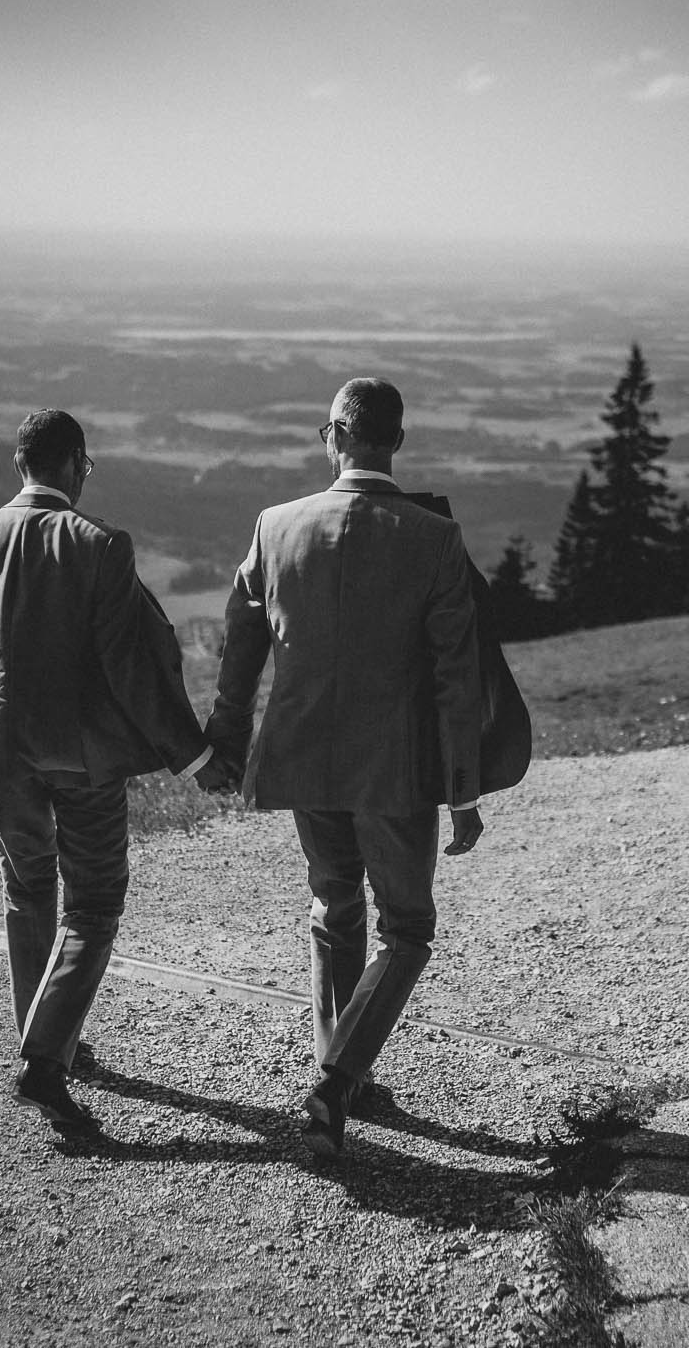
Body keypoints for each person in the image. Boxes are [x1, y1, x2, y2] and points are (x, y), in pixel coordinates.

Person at [202, 377, 484, 1160]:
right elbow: (456, 677)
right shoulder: (433, 538)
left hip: (299, 754)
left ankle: (342, 1072)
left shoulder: (276, 525)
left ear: (333, 437)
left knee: (333, 906)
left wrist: (226, 740)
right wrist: (463, 789)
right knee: (408, 926)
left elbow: (240, 644)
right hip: (395, 769)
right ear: (397, 440)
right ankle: (335, 1080)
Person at [0, 408, 227, 1134]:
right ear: (74, 463)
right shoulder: (99, 546)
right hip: (83, 756)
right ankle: (43, 1060)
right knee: (93, 904)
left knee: (26, 891)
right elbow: (132, 667)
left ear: (19, 463)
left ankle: (47, 1034)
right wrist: (196, 757)